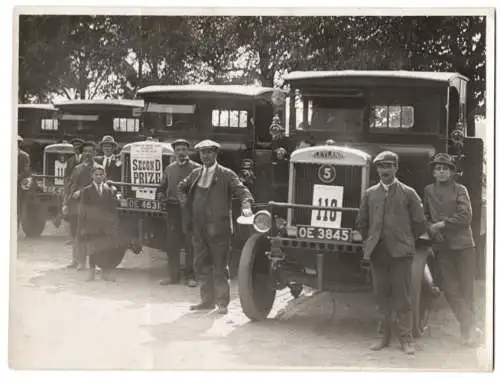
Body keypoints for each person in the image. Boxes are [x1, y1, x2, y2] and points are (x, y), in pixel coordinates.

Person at [356, 151, 427, 355]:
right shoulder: (370, 194)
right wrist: (370, 242)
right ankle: (382, 337)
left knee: (402, 297)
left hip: (401, 254)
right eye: (380, 167)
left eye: (388, 166)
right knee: (381, 295)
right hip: (378, 253)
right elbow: (362, 222)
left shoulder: (409, 193)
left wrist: (405, 240)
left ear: (396, 168)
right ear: (376, 169)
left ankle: (406, 339)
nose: (384, 171)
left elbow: (420, 223)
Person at [178, 140, 254, 315]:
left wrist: (246, 206)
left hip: (218, 229)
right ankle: (206, 301)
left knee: (220, 267)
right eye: (203, 152)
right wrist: (183, 199)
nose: (206, 156)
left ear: (216, 154)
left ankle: (222, 303)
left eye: (209, 152)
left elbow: (243, 192)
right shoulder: (195, 174)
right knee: (200, 265)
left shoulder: (226, 174)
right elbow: (181, 186)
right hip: (199, 228)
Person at [423, 153, 480, 347]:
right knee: (449, 289)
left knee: (466, 290)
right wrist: (431, 228)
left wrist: (441, 225)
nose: (441, 171)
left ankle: (468, 333)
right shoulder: (428, 190)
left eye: (445, 168)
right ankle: (471, 324)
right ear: (433, 172)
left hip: (464, 246)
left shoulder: (460, 190)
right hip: (442, 247)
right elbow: (426, 216)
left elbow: (465, 216)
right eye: (438, 168)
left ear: (451, 172)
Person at [158, 139, 200, 287]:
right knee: (172, 244)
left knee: (190, 244)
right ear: (174, 152)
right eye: (178, 150)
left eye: (184, 149)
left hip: (189, 211)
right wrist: (162, 197)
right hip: (173, 210)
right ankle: (173, 277)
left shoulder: (197, 169)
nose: (181, 152)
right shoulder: (169, 169)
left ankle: (191, 276)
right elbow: (162, 187)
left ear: (188, 151)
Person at [77, 165, 120, 282]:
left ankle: (105, 273)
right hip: (92, 227)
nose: (99, 177)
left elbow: (113, 211)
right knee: (93, 250)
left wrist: (113, 227)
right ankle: (91, 273)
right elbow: (82, 211)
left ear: (105, 176)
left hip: (105, 227)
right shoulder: (86, 191)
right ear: (92, 176)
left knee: (105, 250)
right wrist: (82, 228)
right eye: (96, 174)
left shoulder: (109, 191)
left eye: (101, 174)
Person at [63, 141, 99, 269]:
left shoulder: (98, 169)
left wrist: (82, 191)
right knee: (74, 232)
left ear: (95, 153)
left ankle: (85, 263)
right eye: (85, 151)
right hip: (75, 204)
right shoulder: (77, 168)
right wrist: (66, 203)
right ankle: (75, 260)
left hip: (90, 205)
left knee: (87, 233)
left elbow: (98, 186)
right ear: (82, 153)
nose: (88, 154)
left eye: (91, 151)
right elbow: (70, 186)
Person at [17, 136, 31, 233]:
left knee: (18, 206)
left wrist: (16, 177)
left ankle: (15, 226)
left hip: (18, 183)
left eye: (17, 143)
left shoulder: (24, 156)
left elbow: (26, 171)